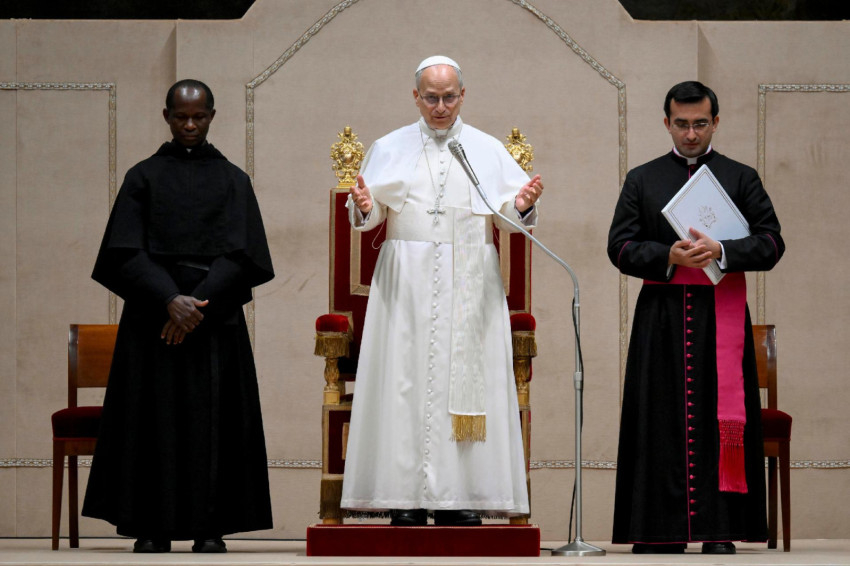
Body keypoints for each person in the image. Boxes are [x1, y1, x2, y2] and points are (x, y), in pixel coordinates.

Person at [339, 56, 544, 526]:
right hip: (405, 283)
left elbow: (509, 218)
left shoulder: (486, 149)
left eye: (449, 97)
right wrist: (365, 207)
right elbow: (369, 214)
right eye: (431, 97)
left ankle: (462, 495)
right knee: (403, 383)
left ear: (462, 95)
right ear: (416, 97)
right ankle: (403, 496)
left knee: (466, 383)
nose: (440, 106)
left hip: (470, 280)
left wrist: (520, 205)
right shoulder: (389, 146)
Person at [82, 79, 275, 553]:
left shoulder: (233, 180)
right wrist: (169, 298)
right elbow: (122, 251)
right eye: (181, 116)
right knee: (151, 422)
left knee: (216, 424)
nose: (190, 125)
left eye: (199, 116)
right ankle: (152, 526)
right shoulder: (142, 177)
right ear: (166, 116)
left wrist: (195, 304)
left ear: (212, 116)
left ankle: (211, 528)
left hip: (213, 320)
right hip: (153, 320)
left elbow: (246, 255)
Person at [608, 81, 784, 554]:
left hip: (719, 318)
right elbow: (619, 247)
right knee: (658, 419)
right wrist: (668, 255)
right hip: (660, 319)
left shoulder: (741, 178)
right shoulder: (642, 179)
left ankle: (717, 529)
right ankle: (657, 530)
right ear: (667, 123)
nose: (691, 134)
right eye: (682, 124)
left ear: (716, 122)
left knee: (715, 418)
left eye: (700, 124)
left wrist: (722, 249)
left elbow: (771, 243)